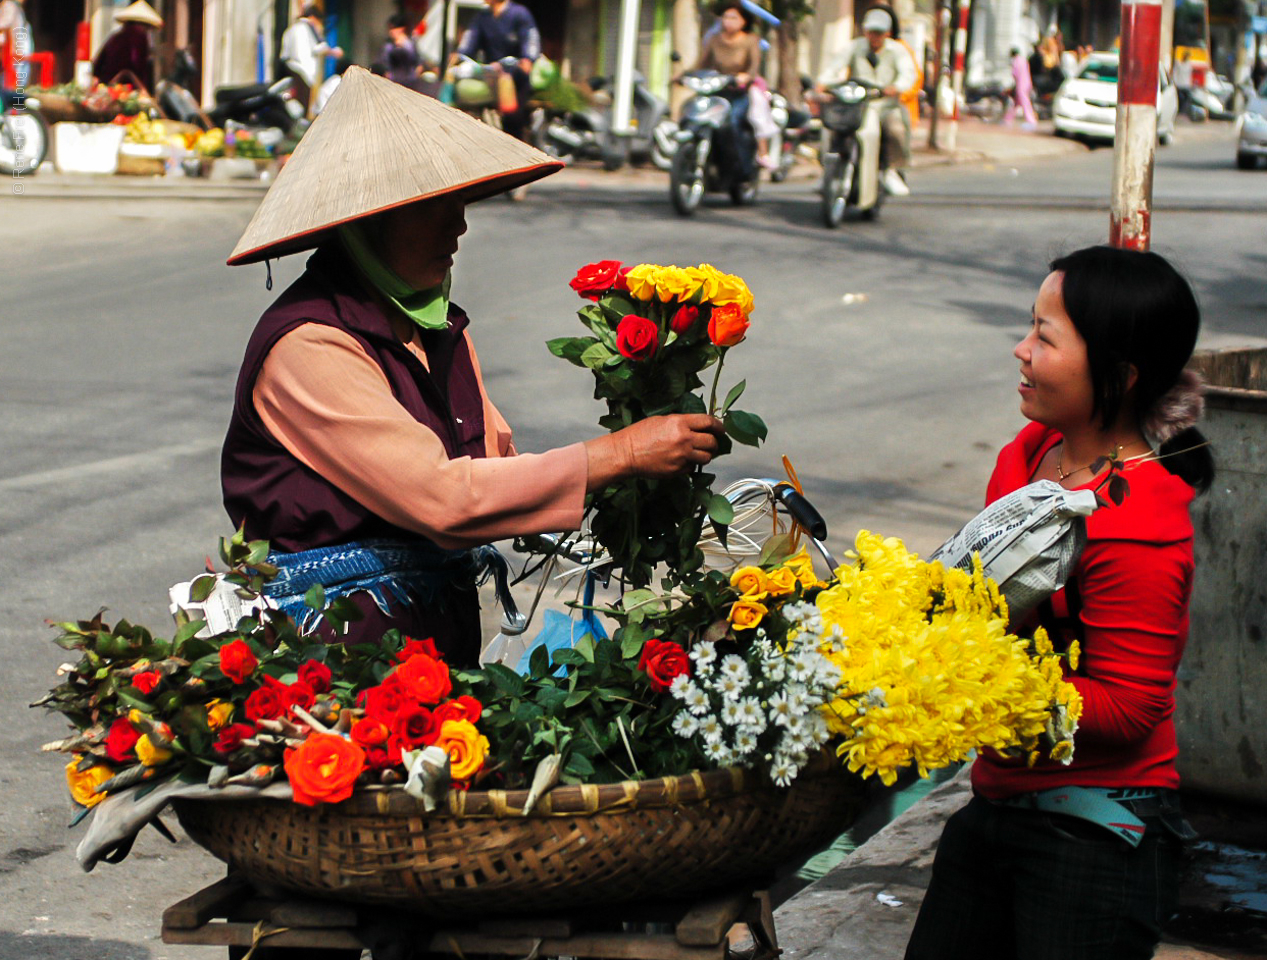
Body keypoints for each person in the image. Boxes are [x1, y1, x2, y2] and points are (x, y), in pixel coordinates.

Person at [222, 67, 724, 668]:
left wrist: (617, 474)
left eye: (461, 203)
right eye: (437, 208)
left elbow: (491, 464)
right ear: (371, 220)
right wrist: (621, 454)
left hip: (427, 646)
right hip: (337, 665)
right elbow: (445, 500)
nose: (459, 226)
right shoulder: (309, 344)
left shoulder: (433, 325)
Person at [905, 245, 1213, 960]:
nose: (1020, 350)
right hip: (1001, 799)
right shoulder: (1029, 453)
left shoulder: (1136, 528)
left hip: (1097, 835)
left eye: (1044, 337)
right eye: (1029, 327)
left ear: (1119, 374)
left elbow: (1131, 707)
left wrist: (977, 686)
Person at [819, 7, 917, 196]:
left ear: (887, 33)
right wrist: (823, 83)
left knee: (895, 129)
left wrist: (896, 87)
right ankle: (829, 170)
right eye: (871, 31)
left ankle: (890, 170)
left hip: (884, 105)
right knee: (831, 126)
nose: (875, 36)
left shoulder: (897, 51)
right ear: (865, 31)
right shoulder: (855, 46)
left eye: (879, 32)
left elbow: (908, 75)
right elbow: (835, 65)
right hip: (856, 103)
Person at [690, 1, 776, 174]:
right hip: (717, 88)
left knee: (734, 122)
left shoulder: (751, 40)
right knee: (695, 115)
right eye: (726, 17)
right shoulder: (715, 39)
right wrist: (685, 75)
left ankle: (744, 165)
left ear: (743, 21)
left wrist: (745, 77)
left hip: (740, 91)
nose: (728, 21)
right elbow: (702, 63)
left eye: (733, 18)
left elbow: (753, 67)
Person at [451, 0, 540, 143]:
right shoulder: (482, 16)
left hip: (514, 75)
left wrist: (527, 59)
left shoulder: (519, 14)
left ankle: (515, 149)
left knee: (513, 118)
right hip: (491, 73)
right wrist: (460, 55)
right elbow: (470, 38)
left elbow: (530, 38)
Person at [279, 5, 343, 115]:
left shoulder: (292, 28)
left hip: (288, 69)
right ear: (313, 17)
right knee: (301, 107)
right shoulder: (309, 27)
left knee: (290, 105)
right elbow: (319, 46)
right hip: (303, 72)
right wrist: (333, 52)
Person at [92, 0, 163, 92]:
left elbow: (97, 65)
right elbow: (136, 65)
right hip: (128, 90)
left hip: (108, 89)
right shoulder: (139, 37)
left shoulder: (115, 37)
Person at [379, 14, 423, 90]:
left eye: (393, 28)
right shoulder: (388, 46)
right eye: (390, 29)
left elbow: (417, 61)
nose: (391, 31)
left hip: (410, 82)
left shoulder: (410, 44)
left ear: (402, 29)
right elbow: (384, 62)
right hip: (393, 82)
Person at [1004, 46, 1038, 130]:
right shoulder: (1023, 60)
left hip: (1021, 85)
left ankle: (1031, 120)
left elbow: (1014, 74)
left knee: (1025, 102)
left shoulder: (1015, 61)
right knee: (1016, 102)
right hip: (1027, 83)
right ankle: (1008, 119)